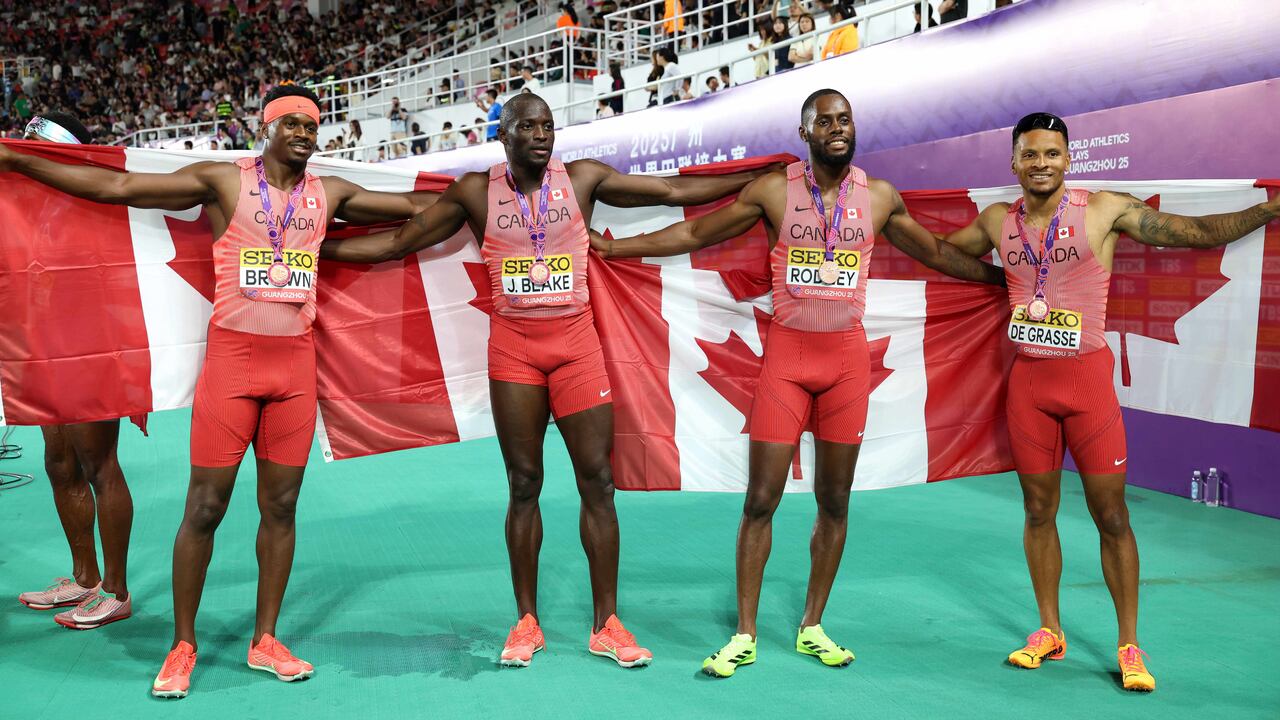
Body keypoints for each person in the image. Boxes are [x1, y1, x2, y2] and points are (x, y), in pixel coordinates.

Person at [0, 85, 434, 698]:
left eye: (312, 124)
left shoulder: (328, 194)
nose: (304, 132)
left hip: (294, 371)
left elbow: (415, 210)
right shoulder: (224, 180)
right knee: (204, 508)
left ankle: (266, 639)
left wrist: (479, 194)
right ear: (267, 128)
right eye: (291, 123)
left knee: (280, 509)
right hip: (233, 364)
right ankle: (183, 645)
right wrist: (18, 161)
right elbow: (116, 189)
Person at [318, 92, 770, 670]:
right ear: (502, 135)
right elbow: (397, 241)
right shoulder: (476, 192)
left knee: (598, 481)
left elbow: (673, 192)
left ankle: (607, 622)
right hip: (515, 353)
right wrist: (311, 244)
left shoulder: (581, 180)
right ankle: (526, 620)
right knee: (524, 482)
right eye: (528, 126)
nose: (541, 134)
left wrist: (758, 174)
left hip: (577, 348)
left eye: (549, 125)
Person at [590, 89, 1005, 679]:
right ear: (805, 132)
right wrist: (615, 246)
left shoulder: (880, 197)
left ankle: (812, 625)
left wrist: (1000, 281)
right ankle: (745, 633)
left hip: (845, 366)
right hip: (786, 360)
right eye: (825, 121)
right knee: (761, 500)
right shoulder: (772, 191)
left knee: (834, 502)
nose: (838, 128)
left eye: (845, 119)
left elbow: (936, 253)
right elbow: (693, 235)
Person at [941, 112, 1280, 693]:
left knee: (1112, 517)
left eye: (1052, 153)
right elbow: (944, 255)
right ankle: (1048, 629)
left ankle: (1129, 643)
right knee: (1038, 511)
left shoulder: (1103, 209)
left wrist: (1270, 209)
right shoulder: (998, 220)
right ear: (1014, 162)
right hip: (1028, 387)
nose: (1041, 163)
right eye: (1030, 154)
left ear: (1068, 158)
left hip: (1087, 386)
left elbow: (1194, 233)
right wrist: (996, 282)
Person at [13, 111, 139, 633]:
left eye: (34, 144)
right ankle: (83, 576)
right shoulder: (21, 211)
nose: (22, 150)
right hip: (43, 345)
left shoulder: (93, 200)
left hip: (90, 345)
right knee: (58, 461)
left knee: (97, 461)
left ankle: (116, 590)